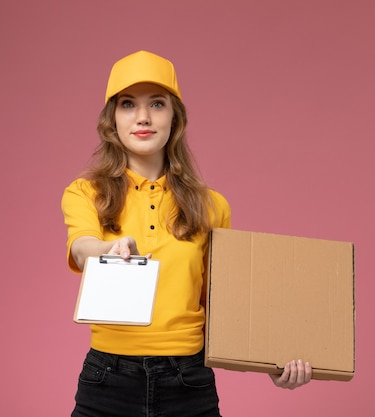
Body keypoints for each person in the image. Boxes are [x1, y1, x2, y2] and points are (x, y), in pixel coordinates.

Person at [61, 50, 311, 417]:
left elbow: (222, 305)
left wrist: (271, 360)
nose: (143, 117)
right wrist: (104, 250)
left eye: (157, 104)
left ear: (174, 118)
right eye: (128, 104)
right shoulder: (86, 193)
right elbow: (82, 246)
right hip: (107, 379)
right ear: (112, 119)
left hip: (188, 381)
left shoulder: (212, 206)